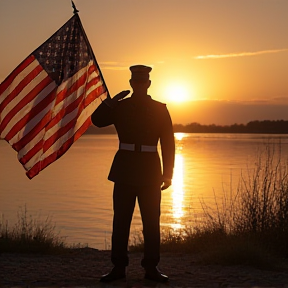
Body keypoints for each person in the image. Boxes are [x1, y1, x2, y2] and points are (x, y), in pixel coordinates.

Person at [91, 65, 175, 282]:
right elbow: (97, 121)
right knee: (121, 222)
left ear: (148, 84)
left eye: (142, 81)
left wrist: (168, 174)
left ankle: (151, 268)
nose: (139, 85)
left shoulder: (160, 109)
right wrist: (110, 102)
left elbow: (168, 142)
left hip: (149, 171)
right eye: (135, 81)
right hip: (125, 170)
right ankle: (118, 268)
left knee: (151, 222)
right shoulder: (120, 107)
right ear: (131, 83)